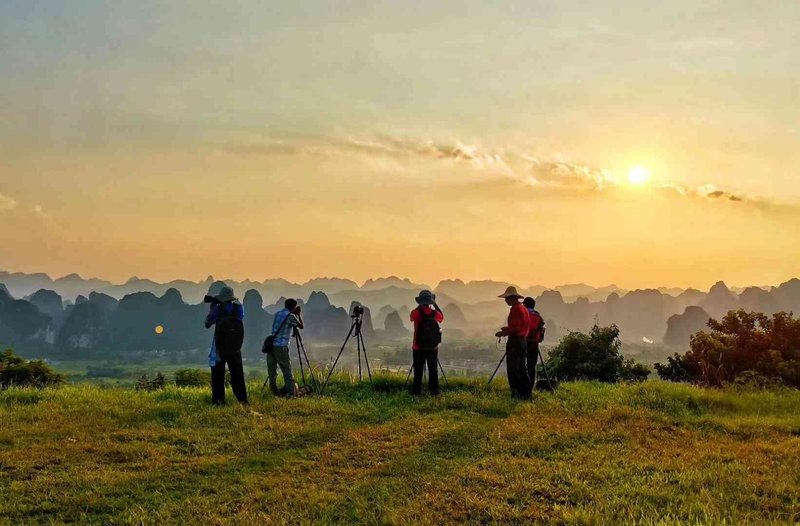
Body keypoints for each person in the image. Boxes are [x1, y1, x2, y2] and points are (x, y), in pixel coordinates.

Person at [205, 286, 248, 405]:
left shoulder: (218, 309)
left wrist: (212, 307)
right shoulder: (239, 308)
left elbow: (207, 323)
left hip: (220, 346)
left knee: (218, 375)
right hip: (235, 346)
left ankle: (219, 400)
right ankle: (242, 400)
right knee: (237, 374)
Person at [495, 286, 532, 399]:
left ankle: (516, 392)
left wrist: (503, 333)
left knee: (513, 368)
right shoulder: (523, 308)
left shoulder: (516, 310)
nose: (505, 300)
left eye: (507, 298)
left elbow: (516, 329)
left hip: (515, 341)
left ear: (512, 298)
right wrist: (507, 329)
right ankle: (526, 392)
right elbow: (520, 326)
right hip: (523, 341)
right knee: (522, 367)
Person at [410, 290, 444, 396]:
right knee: (433, 370)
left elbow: (412, 318)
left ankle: (417, 392)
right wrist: (435, 304)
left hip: (418, 347)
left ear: (420, 302)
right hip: (432, 348)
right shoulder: (435, 314)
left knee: (418, 370)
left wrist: (419, 306)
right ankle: (434, 391)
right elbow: (442, 317)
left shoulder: (415, 313)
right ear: (430, 301)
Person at [267, 298, 303, 396]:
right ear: (293, 307)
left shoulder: (278, 313)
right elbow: (301, 326)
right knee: (287, 371)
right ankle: (292, 394)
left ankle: (275, 393)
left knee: (272, 372)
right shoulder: (291, 316)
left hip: (271, 346)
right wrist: (298, 314)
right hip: (281, 347)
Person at [524, 297, 545, 389]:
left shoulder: (524, 314)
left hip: (523, 342)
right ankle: (530, 386)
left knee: (520, 364)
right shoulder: (538, 316)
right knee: (531, 365)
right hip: (534, 343)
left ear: (525, 305)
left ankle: (522, 384)